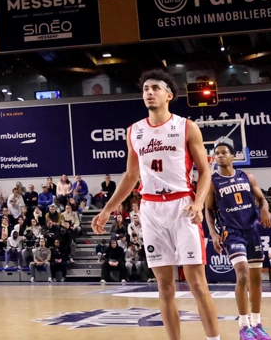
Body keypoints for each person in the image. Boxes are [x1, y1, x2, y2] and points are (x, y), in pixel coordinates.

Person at [92, 69, 220, 340]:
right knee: (164, 287)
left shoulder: (186, 126)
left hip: (182, 206)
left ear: (168, 95)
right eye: (145, 89)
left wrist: (198, 204)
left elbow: (205, 172)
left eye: (155, 88)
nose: (149, 93)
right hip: (150, 209)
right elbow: (130, 176)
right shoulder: (134, 131)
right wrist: (107, 210)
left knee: (197, 284)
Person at [206, 142, 271, 340]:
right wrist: (213, 233)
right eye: (216, 153)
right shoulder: (213, 181)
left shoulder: (247, 176)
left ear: (233, 156)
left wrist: (265, 209)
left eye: (224, 152)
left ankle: (257, 324)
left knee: (256, 278)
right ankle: (244, 326)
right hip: (231, 232)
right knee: (242, 274)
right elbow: (208, 209)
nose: (219, 156)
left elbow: (262, 198)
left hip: (251, 230)